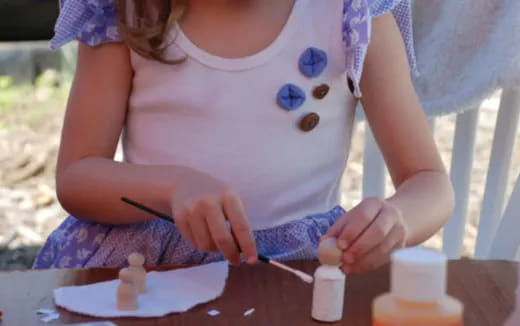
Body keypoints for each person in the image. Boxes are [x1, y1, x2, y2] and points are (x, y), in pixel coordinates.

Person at [33, 0, 454, 274]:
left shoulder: (352, 11)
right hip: (151, 270)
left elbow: (429, 182)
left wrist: (397, 220)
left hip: (299, 267)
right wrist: (171, 187)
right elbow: (77, 177)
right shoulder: (127, 12)